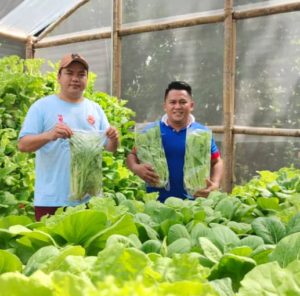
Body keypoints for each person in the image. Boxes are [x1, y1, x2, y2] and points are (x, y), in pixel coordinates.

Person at [18, 53, 119, 220]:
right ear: (59, 77)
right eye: (69, 73)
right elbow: (23, 145)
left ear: (87, 79)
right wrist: (50, 135)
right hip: (51, 200)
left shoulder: (95, 109)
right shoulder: (42, 107)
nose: (75, 78)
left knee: (86, 246)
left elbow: (110, 148)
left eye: (81, 74)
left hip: (89, 197)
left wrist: (114, 138)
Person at [126, 80, 223, 202]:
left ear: (191, 105)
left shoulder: (201, 133)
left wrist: (215, 183)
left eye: (183, 102)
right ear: (165, 106)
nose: (177, 106)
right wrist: (136, 167)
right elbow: (132, 155)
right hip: (156, 204)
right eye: (172, 102)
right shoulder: (150, 132)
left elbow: (216, 161)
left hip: (194, 204)